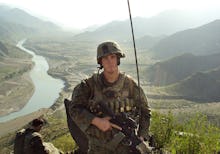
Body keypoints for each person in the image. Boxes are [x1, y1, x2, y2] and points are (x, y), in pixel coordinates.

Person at [68, 41, 151, 154]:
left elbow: (145, 111)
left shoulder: (130, 85)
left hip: (127, 147)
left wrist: (141, 136)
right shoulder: (89, 85)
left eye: (112, 57)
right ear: (100, 62)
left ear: (118, 59)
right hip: (98, 148)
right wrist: (96, 121)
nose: (110, 61)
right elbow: (74, 109)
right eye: (105, 58)